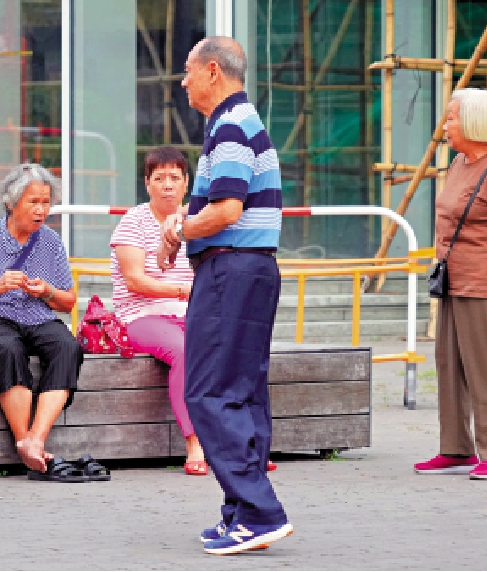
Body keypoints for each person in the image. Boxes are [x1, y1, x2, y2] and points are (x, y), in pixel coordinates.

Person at [157, 36, 292, 555]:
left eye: (188, 72)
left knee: (210, 391)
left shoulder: (231, 128)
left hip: (231, 272)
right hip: (251, 270)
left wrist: (178, 232)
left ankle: (258, 510)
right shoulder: (240, 123)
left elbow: (227, 210)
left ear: (212, 71)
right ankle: (241, 512)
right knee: (242, 390)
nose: (183, 82)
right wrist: (186, 232)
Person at [414, 88, 487, 480]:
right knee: (449, 365)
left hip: (482, 285)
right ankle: (456, 449)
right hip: (452, 280)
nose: (445, 126)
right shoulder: (461, 163)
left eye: (451, 119)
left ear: (475, 123)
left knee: (486, 370)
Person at [0, 163, 86, 478]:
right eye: (33, 202)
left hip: (37, 316)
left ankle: (36, 439)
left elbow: (67, 302)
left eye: (45, 202)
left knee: (67, 346)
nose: (42, 210)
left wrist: (47, 290)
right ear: (11, 203)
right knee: (7, 348)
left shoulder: (51, 241)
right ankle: (23, 440)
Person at [109, 146, 208, 475]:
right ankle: (194, 442)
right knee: (183, 350)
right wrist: (182, 291)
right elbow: (135, 281)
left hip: (189, 312)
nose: (168, 185)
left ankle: (238, 445)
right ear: (147, 183)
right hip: (141, 314)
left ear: (186, 184)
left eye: (175, 178)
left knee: (231, 349)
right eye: (159, 178)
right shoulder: (133, 221)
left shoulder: (196, 220)